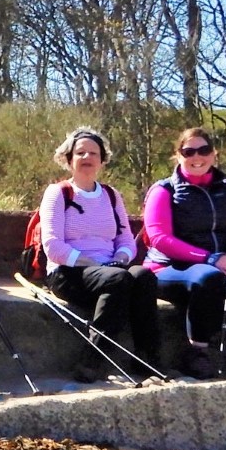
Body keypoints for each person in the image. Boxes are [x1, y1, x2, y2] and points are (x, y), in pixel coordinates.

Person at [141, 127, 226, 379]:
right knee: (209, 278)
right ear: (178, 155)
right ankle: (196, 353)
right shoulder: (163, 190)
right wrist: (210, 258)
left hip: (221, 263)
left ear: (214, 154)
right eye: (188, 151)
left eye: (204, 150)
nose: (197, 157)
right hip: (169, 266)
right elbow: (159, 237)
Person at [36, 128, 160, 383]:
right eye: (80, 153)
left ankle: (147, 358)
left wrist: (121, 258)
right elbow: (53, 246)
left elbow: (126, 240)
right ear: (68, 159)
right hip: (69, 271)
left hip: (109, 269)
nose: (87, 157)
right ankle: (92, 359)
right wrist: (97, 264)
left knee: (144, 276)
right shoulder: (58, 193)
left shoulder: (111, 195)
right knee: (117, 279)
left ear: (102, 160)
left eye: (93, 153)